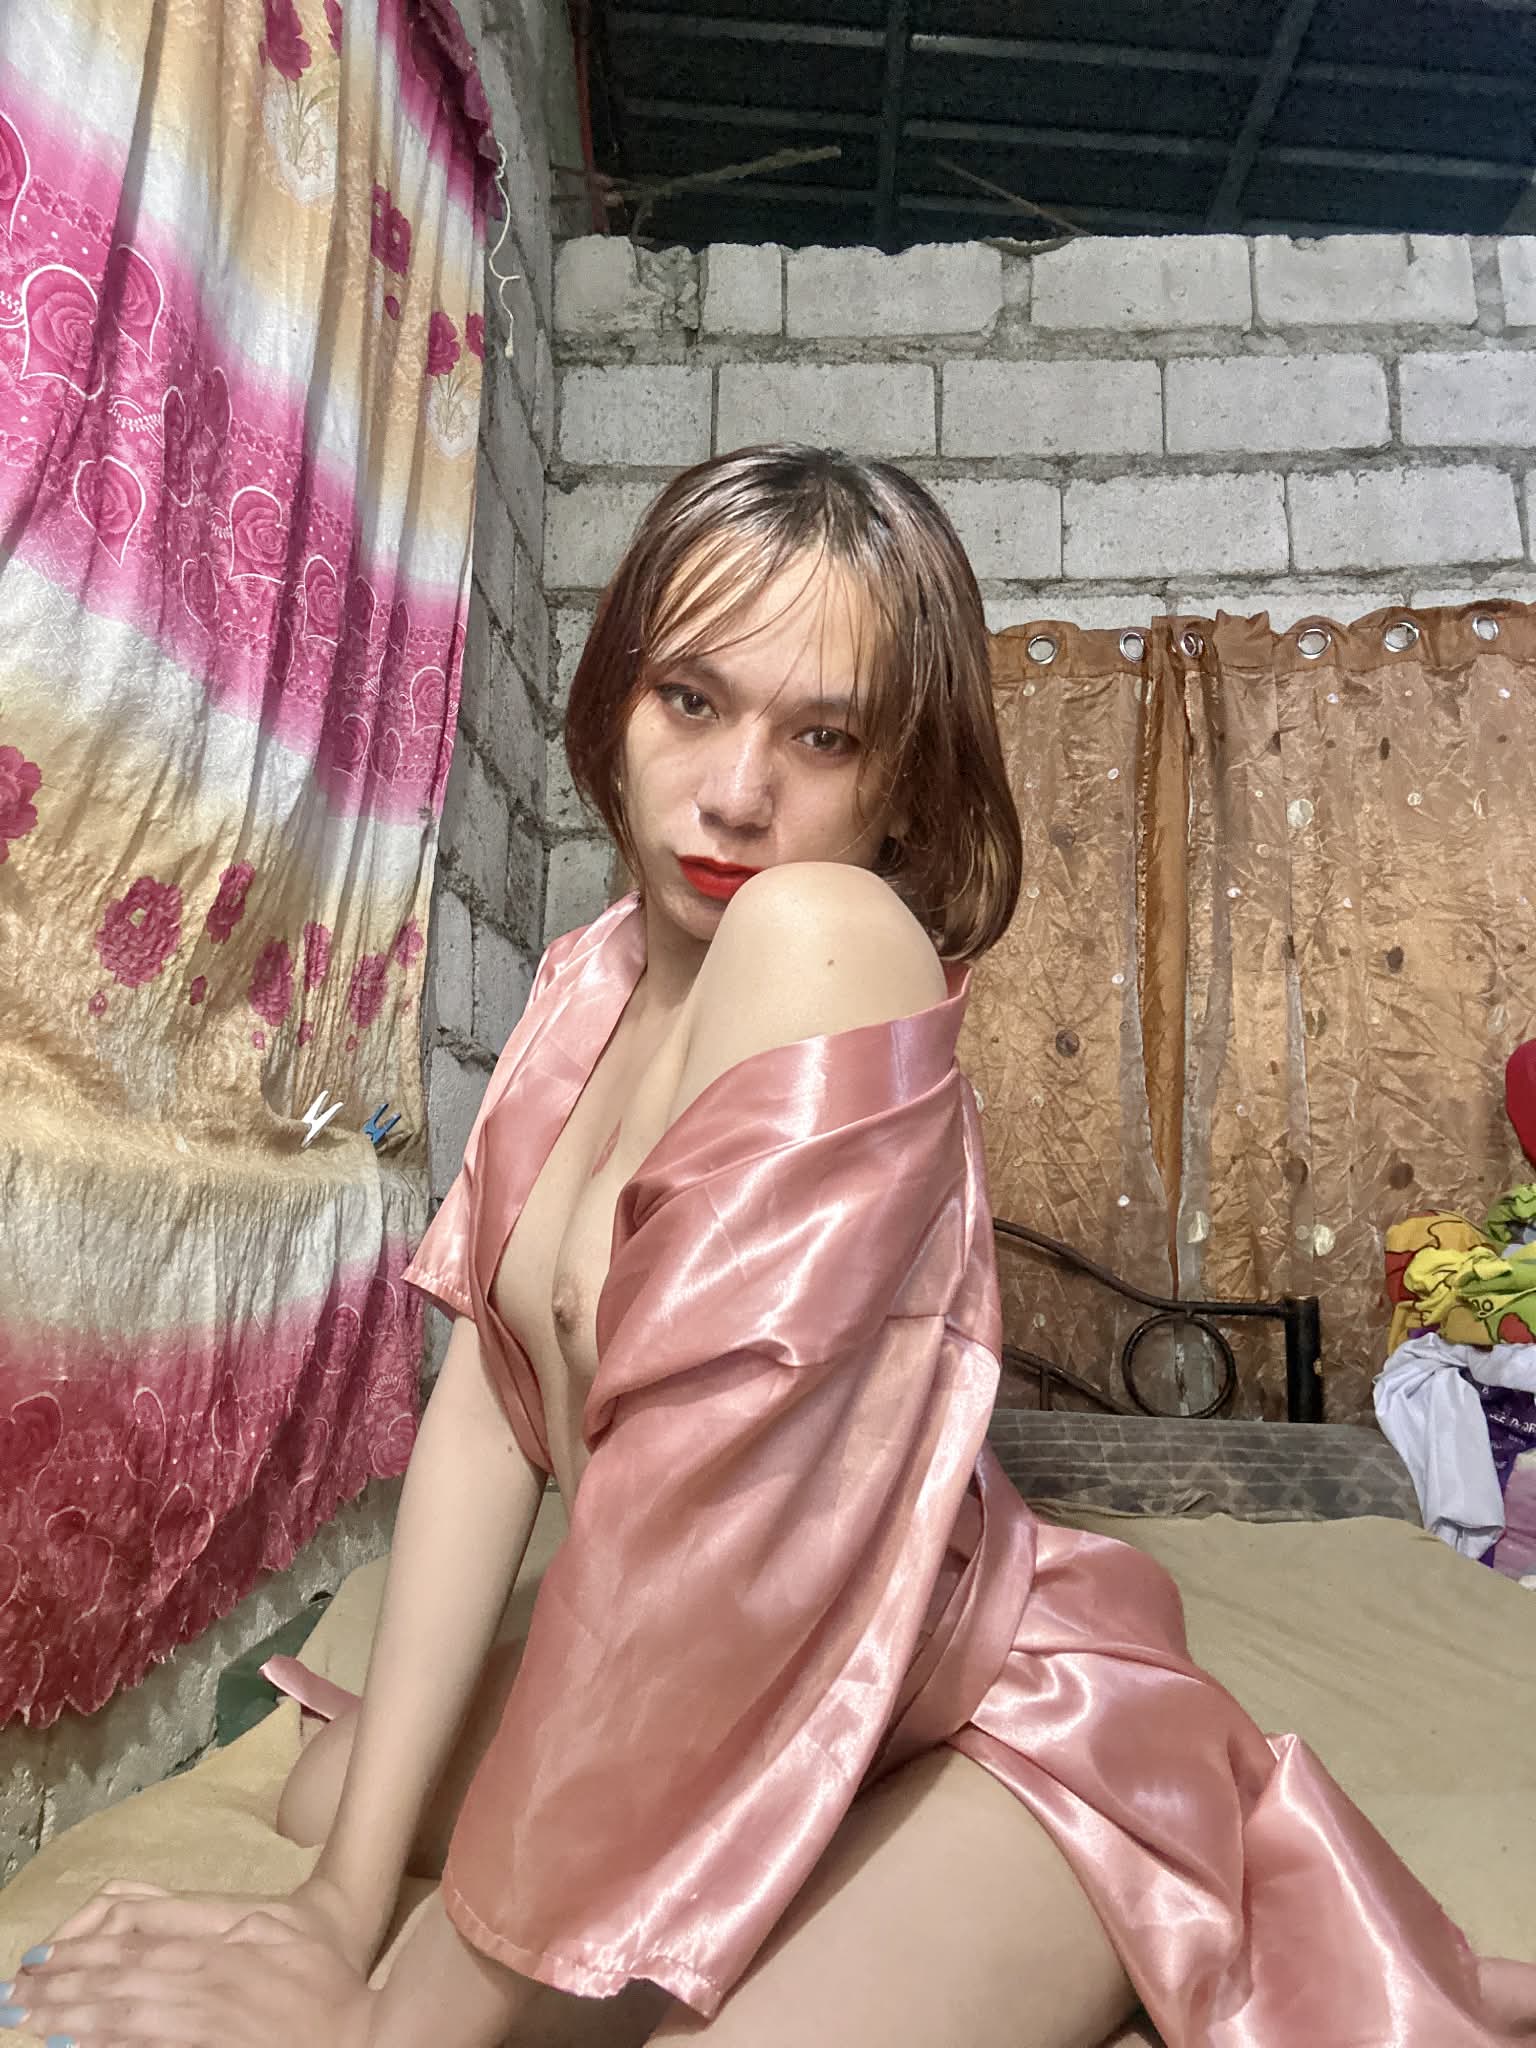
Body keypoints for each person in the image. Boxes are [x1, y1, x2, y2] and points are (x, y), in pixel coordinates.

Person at [9, 447, 1535, 2048]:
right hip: (729, 1681)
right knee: (332, 1796)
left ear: (903, 785)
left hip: (969, 1720)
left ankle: (1103, 1862)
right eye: (690, 699)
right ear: (616, 701)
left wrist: (381, 2025)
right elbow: (488, 1408)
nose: (737, 794)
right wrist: (335, 1912)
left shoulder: (826, 941)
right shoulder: (586, 983)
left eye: (824, 737)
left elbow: (704, 1564)